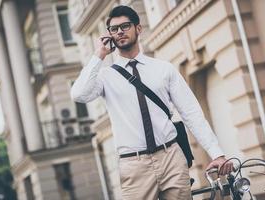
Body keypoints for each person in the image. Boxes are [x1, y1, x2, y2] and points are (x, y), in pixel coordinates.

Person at [71, 5, 233, 200]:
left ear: (138, 29)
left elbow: (192, 113)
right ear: (109, 35)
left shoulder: (163, 69)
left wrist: (216, 153)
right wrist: (99, 55)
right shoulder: (105, 77)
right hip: (134, 165)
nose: (120, 32)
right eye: (114, 29)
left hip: (171, 156)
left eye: (125, 26)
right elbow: (78, 94)